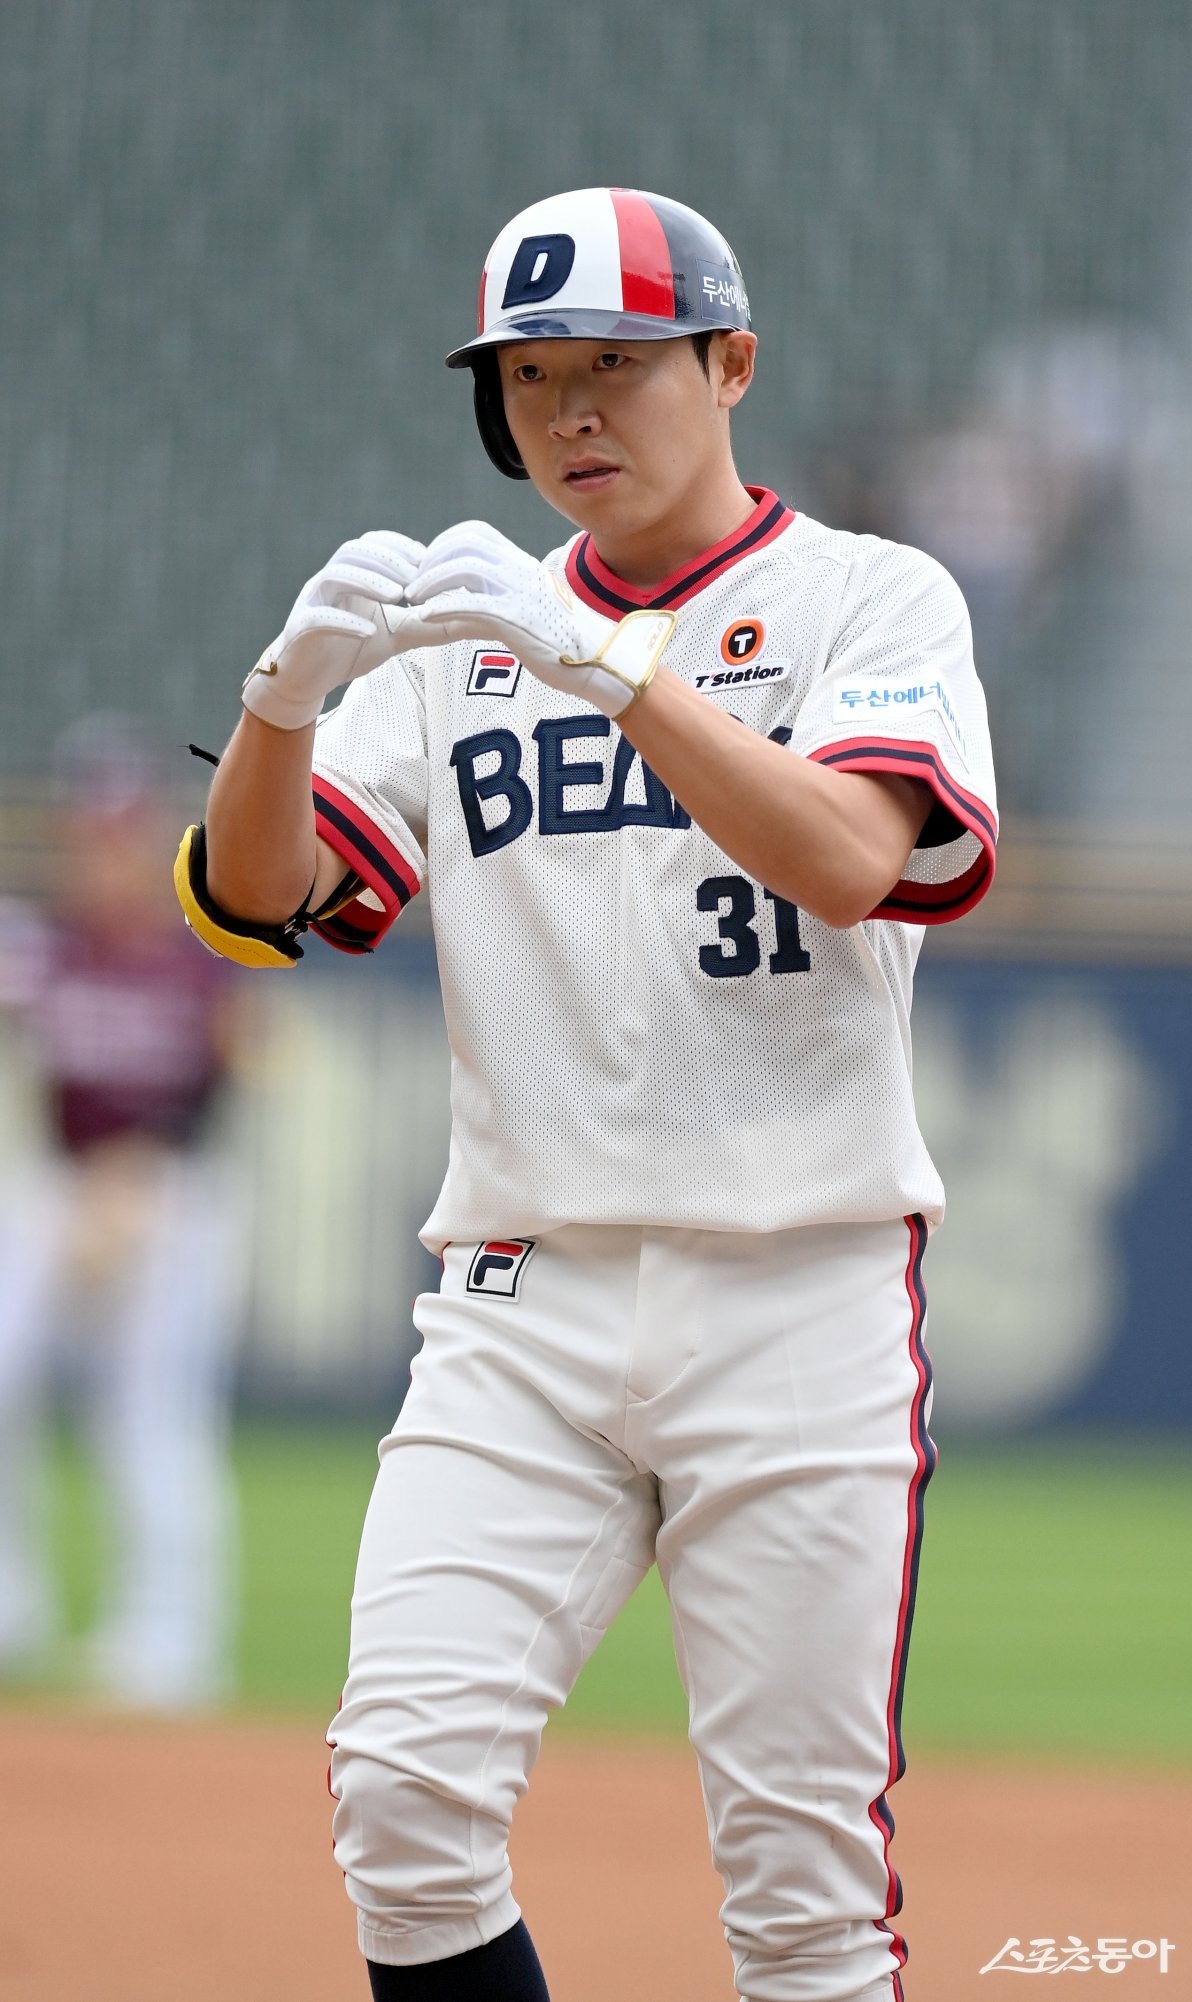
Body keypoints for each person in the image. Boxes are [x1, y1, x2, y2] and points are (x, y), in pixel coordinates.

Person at [182, 189, 997, 2002]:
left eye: (615, 365)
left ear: (732, 363)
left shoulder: (869, 593)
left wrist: (616, 672)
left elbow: (855, 858)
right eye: (530, 375)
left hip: (799, 1290)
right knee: (402, 1806)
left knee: (803, 1905)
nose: (568, 412)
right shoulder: (473, 624)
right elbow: (257, 898)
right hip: (520, 1297)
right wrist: (284, 700)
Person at [0, 716, 244, 1709]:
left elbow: (227, 1076)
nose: (102, 854)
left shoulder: (201, 948)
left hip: (170, 1193)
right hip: (61, 1184)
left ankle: (172, 1635)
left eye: (119, 833)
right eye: (88, 834)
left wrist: (142, 1171)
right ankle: (12, 1601)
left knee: (153, 1412)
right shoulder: (41, 949)